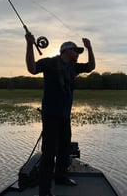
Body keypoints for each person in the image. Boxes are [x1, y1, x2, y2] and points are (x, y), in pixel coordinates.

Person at [25, 33, 95, 196]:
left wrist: (90, 48)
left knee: (64, 148)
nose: (78, 54)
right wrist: (29, 45)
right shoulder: (50, 62)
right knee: (49, 152)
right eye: (75, 51)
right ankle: (44, 191)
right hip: (50, 114)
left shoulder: (73, 67)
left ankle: (61, 176)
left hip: (65, 115)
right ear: (66, 51)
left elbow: (91, 67)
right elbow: (32, 68)